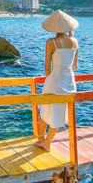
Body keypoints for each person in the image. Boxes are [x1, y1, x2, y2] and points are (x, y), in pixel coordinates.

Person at [35, 10, 79, 151]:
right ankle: (45, 142)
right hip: (69, 82)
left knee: (45, 109)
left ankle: (43, 141)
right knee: (58, 114)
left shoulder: (51, 42)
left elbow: (47, 68)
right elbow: (74, 66)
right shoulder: (75, 42)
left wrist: (51, 77)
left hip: (54, 81)